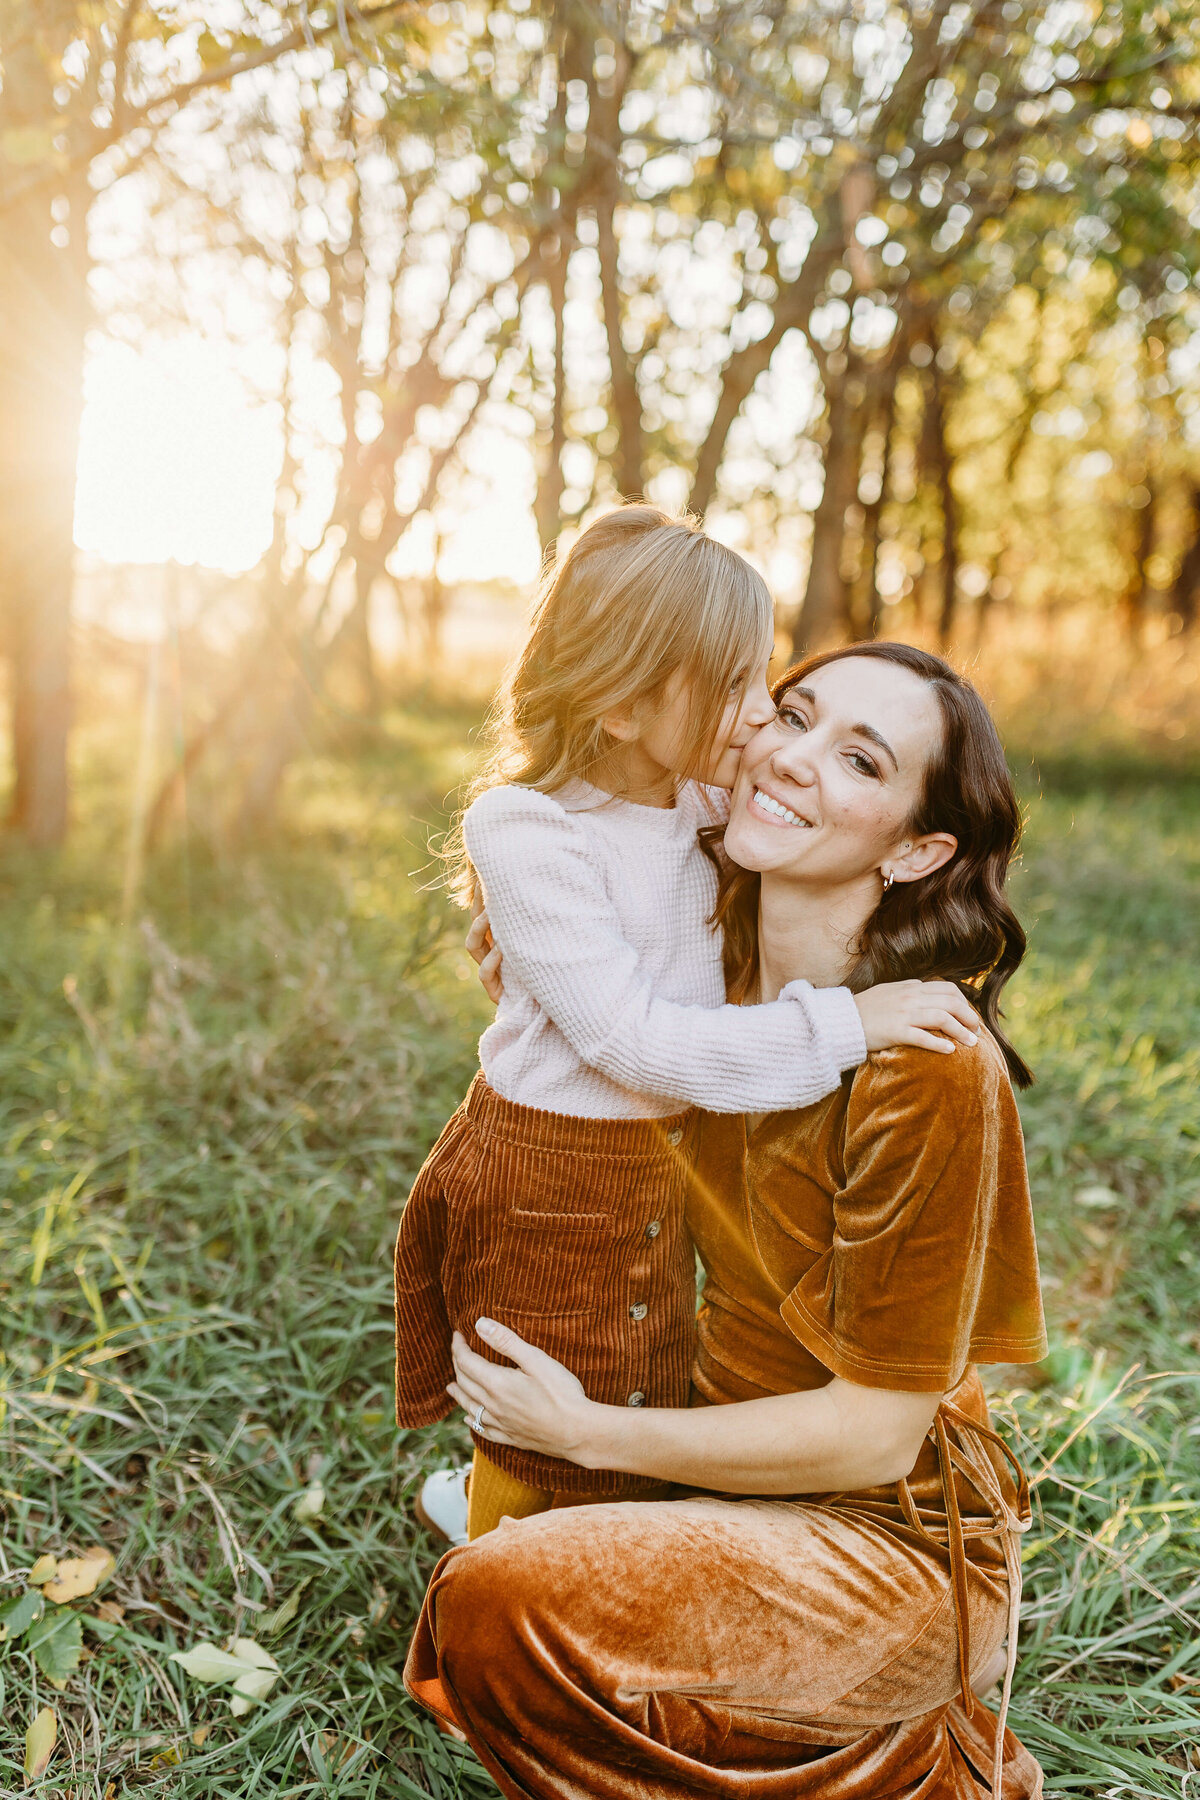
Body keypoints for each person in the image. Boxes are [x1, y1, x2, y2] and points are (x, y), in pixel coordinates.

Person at [405, 643, 1048, 1800]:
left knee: (491, 1606)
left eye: (857, 759)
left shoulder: (924, 1067)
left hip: (883, 1537)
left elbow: (872, 1437)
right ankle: (769, 1700)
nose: (793, 760)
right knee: (523, 1570)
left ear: (916, 849)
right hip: (721, 1464)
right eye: (792, 714)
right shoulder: (696, 985)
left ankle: (918, 1754)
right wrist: (535, 981)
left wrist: (589, 1432)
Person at [395, 509, 980, 1545]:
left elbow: (778, 844)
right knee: (543, 1376)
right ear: (620, 704)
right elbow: (639, 1044)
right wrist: (846, 1023)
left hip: (650, 1160)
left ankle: (585, 1528)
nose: (761, 720)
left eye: (766, 681)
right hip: (549, 1170)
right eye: (736, 687)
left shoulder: (692, 796)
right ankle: (499, 1558)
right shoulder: (522, 824)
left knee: (642, 1366)